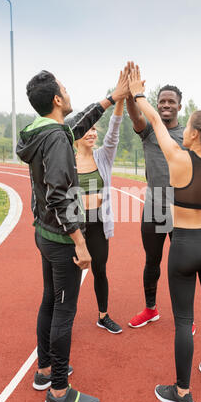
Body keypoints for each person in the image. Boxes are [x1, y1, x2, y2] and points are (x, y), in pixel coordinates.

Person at [16, 69, 128, 402]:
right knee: (64, 312)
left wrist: (112, 97)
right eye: (65, 89)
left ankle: (45, 371)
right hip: (62, 239)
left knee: (50, 300)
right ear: (57, 100)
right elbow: (60, 196)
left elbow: (75, 126)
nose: (68, 92)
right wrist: (80, 242)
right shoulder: (55, 140)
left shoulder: (44, 132)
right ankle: (60, 392)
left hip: (44, 233)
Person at [128, 65, 201, 402]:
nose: (182, 128)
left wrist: (138, 92)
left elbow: (156, 124)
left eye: (187, 126)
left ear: (193, 136)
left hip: (185, 246)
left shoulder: (177, 158)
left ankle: (183, 392)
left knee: (185, 320)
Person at [125, 62, 196, 336]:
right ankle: (150, 309)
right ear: (156, 104)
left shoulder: (189, 136)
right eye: (162, 101)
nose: (166, 105)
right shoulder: (149, 131)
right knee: (151, 262)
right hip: (154, 207)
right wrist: (132, 96)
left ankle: (185, 317)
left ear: (179, 105)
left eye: (171, 101)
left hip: (181, 210)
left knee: (182, 267)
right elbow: (136, 118)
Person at [75, 73, 127, 334]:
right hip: (74, 227)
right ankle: (65, 318)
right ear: (75, 136)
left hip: (97, 224)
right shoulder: (67, 163)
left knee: (100, 269)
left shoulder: (103, 158)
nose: (92, 133)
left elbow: (115, 130)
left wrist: (121, 99)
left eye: (94, 128)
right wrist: (85, 200)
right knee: (71, 274)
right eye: (86, 129)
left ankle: (103, 315)